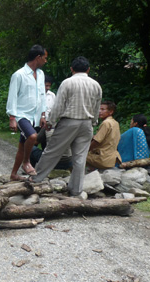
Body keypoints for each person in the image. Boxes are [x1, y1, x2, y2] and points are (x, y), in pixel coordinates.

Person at [30, 56, 102, 198]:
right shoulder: (96, 85)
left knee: (51, 152)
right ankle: (76, 190)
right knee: (80, 158)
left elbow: (58, 105)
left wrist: (50, 121)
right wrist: (93, 122)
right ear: (88, 69)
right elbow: (96, 107)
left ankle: (35, 180)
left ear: (71, 69)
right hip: (87, 123)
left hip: (69, 122)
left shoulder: (67, 83)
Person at [6, 45, 47, 180]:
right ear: (38, 57)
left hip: (35, 116)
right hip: (22, 115)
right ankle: (26, 162)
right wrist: (12, 117)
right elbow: (12, 96)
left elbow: (42, 95)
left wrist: (43, 114)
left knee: (22, 146)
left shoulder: (40, 74)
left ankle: (13, 174)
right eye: (44, 58)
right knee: (33, 137)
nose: (45, 61)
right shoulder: (19, 75)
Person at [86, 101, 122, 169]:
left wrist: (86, 150)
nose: (99, 111)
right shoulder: (115, 123)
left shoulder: (106, 123)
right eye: (99, 109)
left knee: (77, 156)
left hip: (103, 158)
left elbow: (96, 141)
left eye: (103, 109)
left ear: (111, 112)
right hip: (111, 159)